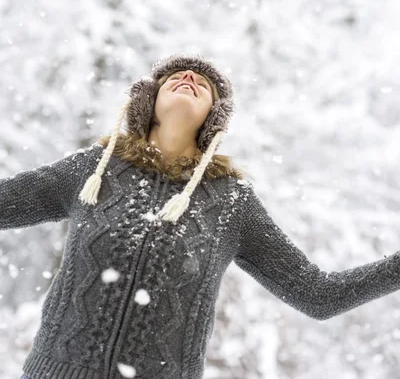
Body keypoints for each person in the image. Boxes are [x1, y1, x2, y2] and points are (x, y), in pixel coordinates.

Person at [2, 52, 400, 379]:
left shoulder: (230, 203)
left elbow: (318, 295)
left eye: (203, 85)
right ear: (148, 100)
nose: (189, 76)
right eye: (176, 76)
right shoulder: (93, 168)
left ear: (213, 117)